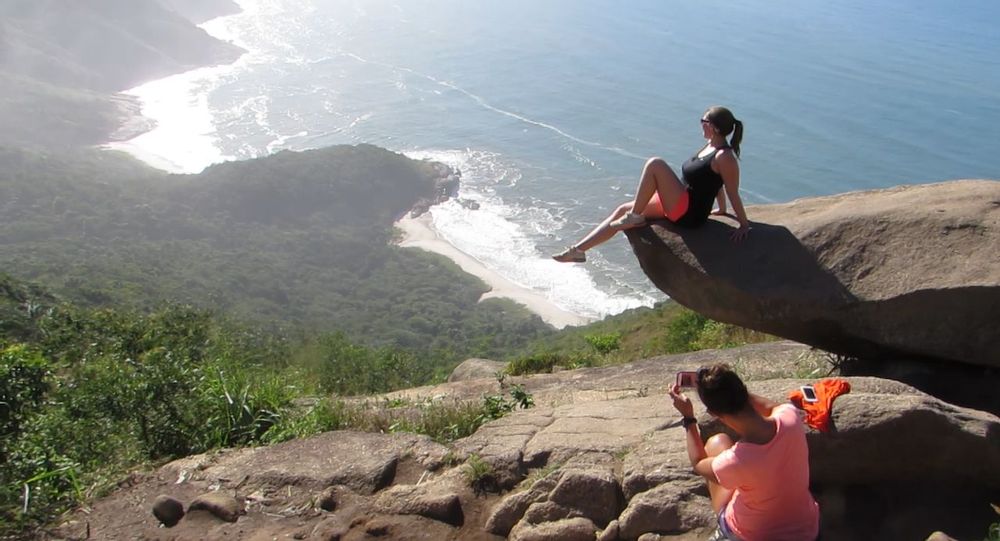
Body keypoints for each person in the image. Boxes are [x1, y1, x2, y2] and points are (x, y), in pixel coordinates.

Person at [552, 106, 750, 263]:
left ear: (714, 127)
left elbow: (732, 190)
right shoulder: (710, 146)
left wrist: (743, 224)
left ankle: (635, 217)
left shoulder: (725, 156)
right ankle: (577, 251)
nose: (700, 124)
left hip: (688, 212)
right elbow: (715, 182)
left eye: (703, 121)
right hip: (680, 200)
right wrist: (721, 209)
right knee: (621, 209)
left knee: (655, 164)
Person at [669, 364, 820, 541]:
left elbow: (698, 463)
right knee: (721, 443)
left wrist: (688, 418)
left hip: (752, 535)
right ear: (743, 391)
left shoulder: (737, 461)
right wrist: (728, 387)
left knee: (715, 444)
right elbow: (770, 406)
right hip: (807, 531)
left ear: (713, 413)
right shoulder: (790, 417)